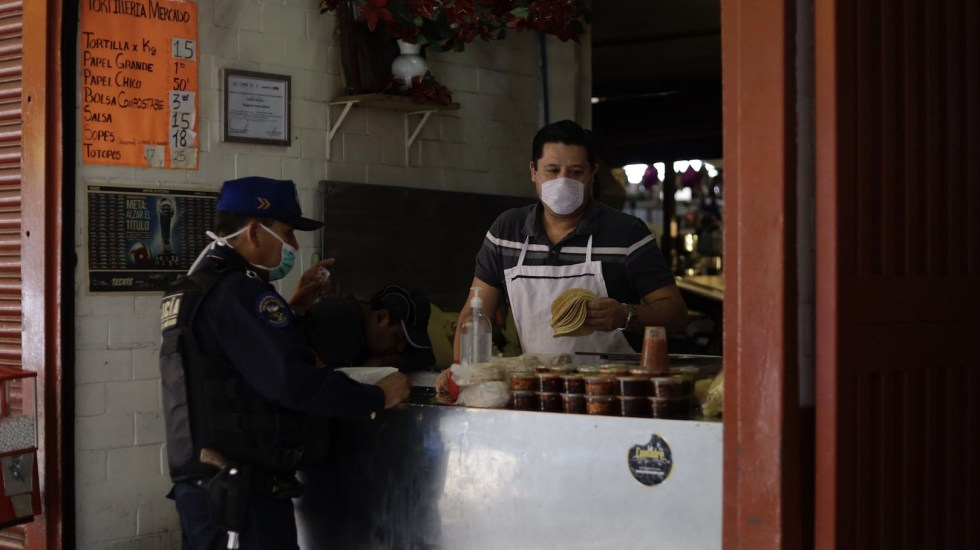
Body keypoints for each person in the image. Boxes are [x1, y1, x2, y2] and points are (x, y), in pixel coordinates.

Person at [159, 176, 411, 549]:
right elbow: (292, 382)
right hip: (241, 497)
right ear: (255, 232)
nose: (292, 245)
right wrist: (376, 397)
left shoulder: (196, 286)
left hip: (209, 490)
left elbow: (236, 367)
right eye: (288, 232)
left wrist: (295, 310)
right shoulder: (240, 291)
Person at [448, 120, 688, 369]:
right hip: (540, 385)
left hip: (614, 389)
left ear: (593, 174)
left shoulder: (627, 234)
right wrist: (460, 373)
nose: (563, 182)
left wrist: (625, 314)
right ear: (533, 171)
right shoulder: (506, 231)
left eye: (575, 172)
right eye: (552, 171)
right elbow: (474, 315)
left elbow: (676, 315)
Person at [301, 283, 436, 371]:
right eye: (398, 338)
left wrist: (383, 362)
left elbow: (426, 359)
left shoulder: (375, 336)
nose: (400, 348)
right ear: (381, 317)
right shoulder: (338, 319)